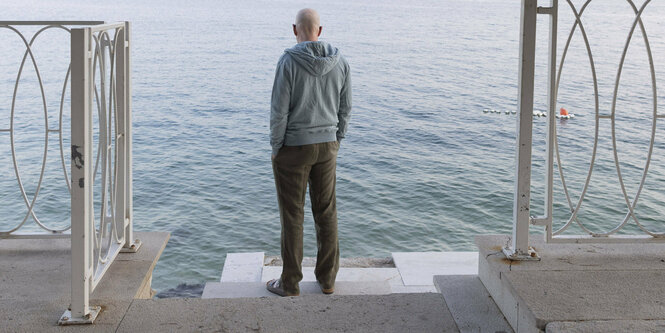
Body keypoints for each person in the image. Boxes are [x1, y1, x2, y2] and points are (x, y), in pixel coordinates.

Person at [268, 8, 352, 297]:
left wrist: (276, 146)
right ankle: (327, 280)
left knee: (293, 216)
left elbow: (279, 112)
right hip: (327, 147)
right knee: (326, 212)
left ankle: (290, 283)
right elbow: (346, 108)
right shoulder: (340, 62)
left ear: (295, 30)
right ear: (320, 30)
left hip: (293, 148)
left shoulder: (288, 61)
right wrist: (336, 139)